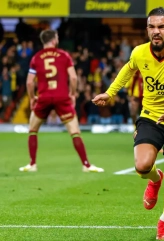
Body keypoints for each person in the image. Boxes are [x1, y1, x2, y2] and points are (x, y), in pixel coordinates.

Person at [92, 7, 164, 240]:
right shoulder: (140, 52)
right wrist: (109, 93)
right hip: (151, 116)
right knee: (141, 166)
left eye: (161, 27)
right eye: (152, 27)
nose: (156, 32)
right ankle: (155, 179)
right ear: (147, 29)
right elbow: (127, 71)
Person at [19, 29, 104, 173]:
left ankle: (32, 164)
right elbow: (73, 78)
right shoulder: (64, 55)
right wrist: (72, 94)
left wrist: (33, 97)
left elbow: (29, 82)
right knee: (75, 132)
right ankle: (86, 165)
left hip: (44, 97)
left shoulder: (36, 57)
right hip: (61, 97)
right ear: (53, 40)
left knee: (33, 130)